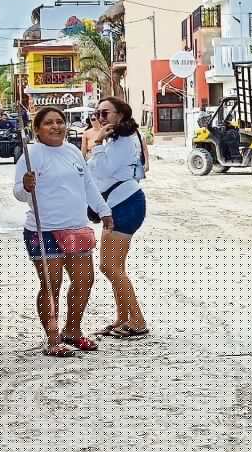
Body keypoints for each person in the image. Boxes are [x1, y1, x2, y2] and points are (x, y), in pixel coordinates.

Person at [15, 106, 114, 357]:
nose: (56, 126)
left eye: (59, 121)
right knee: (51, 284)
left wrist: (104, 211)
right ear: (37, 129)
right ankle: (52, 337)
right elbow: (18, 193)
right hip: (43, 229)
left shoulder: (72, 151)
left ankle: (73, 330)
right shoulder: (31, 154)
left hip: (76, 227)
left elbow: (88, 184)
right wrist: (26, 186)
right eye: (48, 123)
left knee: (84, 281)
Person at [87, 97, 149, 339]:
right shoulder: (116, 139)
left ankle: (137, 320)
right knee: (115, 266)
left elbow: (103, 170)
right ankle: (123, 318)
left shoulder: (123, 141)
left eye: (105, 113)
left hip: (125, 204)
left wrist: (98, 141)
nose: (100, 118)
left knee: (109, 266)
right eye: (97, 114)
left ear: (121, 115)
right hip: (116, 204)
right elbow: (92, 169)